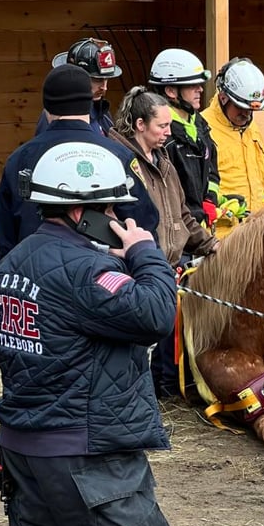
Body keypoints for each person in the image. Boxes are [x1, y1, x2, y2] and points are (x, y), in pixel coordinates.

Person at [0, 140, 215, 526]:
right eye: (113, 210)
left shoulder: (13, 266)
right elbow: (155, 314)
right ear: (81, 210)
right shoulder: (87, 270)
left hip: (29, 447)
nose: (119, 219)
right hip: (87, 448)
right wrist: (145, 253)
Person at [109, 87, 219, 397]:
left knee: (170, 333)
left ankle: (166, 391)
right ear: (140, 125)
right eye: (162, 126)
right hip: (140, 266)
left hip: (172, 265)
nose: (168, 133)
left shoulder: (165, 161)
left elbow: (182, 216)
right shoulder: (122, 164)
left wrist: (209, 245)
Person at [0, 64, 158, 264]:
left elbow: (6, 236)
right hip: (103, 279)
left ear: (47, 106)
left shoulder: (19, 159)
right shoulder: (118, 155)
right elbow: (143, 222)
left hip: (33, 276)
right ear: (89, 102)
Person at [147, 48, 224, 228]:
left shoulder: (200, 125)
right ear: (171, 91)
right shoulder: (162, 137)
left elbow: (212, 171)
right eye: (192, 85)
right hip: (179, 235)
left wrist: (210, 201)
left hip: (200, 229)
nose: (200, 89)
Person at [201, 57, 264, 236]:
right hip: (221, 238)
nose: (246, 115)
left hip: (256, 233)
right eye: (240, 108)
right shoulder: (202, 129)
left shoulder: (252, 130)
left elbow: (263, 181)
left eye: (251, 110)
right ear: (223, 98)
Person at [35, 37, 123, 137]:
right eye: (97, 80)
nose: (104, 87)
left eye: (107, 79)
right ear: (76, 76)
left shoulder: (101, 111)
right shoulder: (55, 115)